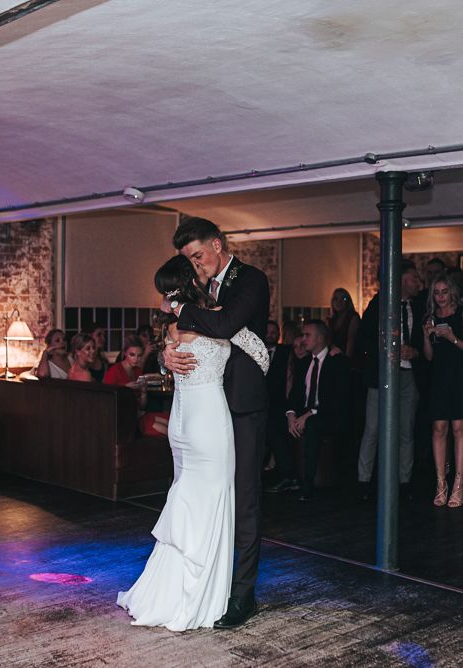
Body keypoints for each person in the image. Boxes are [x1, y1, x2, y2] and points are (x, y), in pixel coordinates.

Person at [117, 254, 268, 631]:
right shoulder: (216, 320)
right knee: (212, 505)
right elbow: (262, 355)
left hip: (182, 424)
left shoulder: (172, 328)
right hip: (209, 423)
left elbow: (172, 360)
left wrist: (167, 359)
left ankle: (170, 590)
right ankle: (203, 595)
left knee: (187, 500)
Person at [160, 217, 270, 629]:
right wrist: (166, 357)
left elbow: (225, 326)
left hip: (241, 406)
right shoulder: (197, 291)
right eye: (189, 260)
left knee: (243, 500)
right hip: (204, 409)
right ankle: (204, 582)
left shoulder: (251, 280)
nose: (197, 265)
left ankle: (242, 595)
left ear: (219, 244)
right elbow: (179, 338)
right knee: (204, 498)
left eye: (199, 255)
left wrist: (178, 307)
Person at [357, 260, 423, 501]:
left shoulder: (418, 306)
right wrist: (389, 352)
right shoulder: (378, 305)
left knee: (406, 430)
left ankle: (404, 482)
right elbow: (364, 341)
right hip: (381, 376)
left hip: (408, 375)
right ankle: (364, 482)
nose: (419, 283)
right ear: (403, 280)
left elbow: (421, 340)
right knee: (373, 428)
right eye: (415, 278)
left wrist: (413, 352)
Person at [285, 320, 351, 500]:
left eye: (308, 335)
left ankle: (307, 484)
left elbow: (338, 399)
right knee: (281, 420)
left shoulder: (337, 361)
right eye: (303, 335)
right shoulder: (305, 362)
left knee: (313, 424)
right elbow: (295, 394)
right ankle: (289, 476)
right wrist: (291, 414)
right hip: (308, 413)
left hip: (329, 414)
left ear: (320, 338)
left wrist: (309, 414)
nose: (304, 339)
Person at [422, 275, 463, 507]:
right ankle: (440, 483)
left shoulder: (461, 314)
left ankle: (459, 483)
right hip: (438, 378)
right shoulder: (430, 317)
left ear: (452, 292)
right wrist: (426, 336)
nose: (440, 297)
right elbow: (428, 356)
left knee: (459, 428)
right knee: (439, 428)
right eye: (436, 292)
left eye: (444, 291)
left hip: (459, 376)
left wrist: (452, 337)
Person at [104, 335, 169, 436]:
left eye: (139, 355)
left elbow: (142, 406)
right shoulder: (114, 371)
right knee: (166, 431)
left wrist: (143, 392)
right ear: (125, 353)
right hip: (124, 420)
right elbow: (106, 403)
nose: (136, 359)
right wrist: (125, 388)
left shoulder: (137, 371)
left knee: (171, 424)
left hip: (139, 415)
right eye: (132, 355)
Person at [264, 321, 299, 493]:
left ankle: (287, 475)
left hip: (280, 403)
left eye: (274, 332)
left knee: (277, 432)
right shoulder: (257, 352)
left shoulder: (286, 351)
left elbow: (292, 376)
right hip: (261, 401)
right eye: (268, 331)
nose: (271, 334)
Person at [327, 288, 361, 368]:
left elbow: (351, 342)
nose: (339, 302)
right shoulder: (330, 320)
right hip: (333, 358)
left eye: (343, 298)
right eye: (336, 299)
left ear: (348, 302)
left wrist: (346, 363)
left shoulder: (353, 318)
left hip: (348, 360)